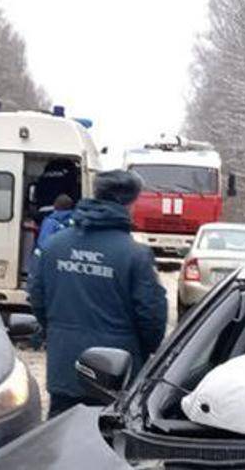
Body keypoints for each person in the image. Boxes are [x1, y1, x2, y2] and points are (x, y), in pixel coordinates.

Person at [28, 169, 167, 418]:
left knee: (62, 444)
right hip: (116, 375)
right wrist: (142, 352)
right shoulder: (135, 255)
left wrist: (58, 332)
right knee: (108, 447)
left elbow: (37, 297)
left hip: (65, 370)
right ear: (130, 203)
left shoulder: (54, 246)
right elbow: (152, 317)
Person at [27, 193, 77, 276]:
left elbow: (43, 244)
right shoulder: (77, 221)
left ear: (55, 206)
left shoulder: (50, 222)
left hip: (51, 262)